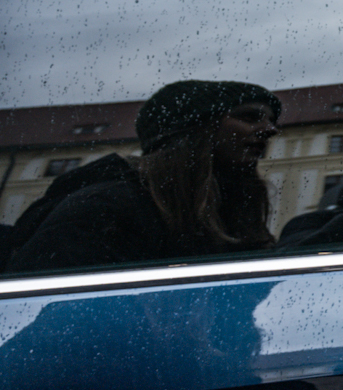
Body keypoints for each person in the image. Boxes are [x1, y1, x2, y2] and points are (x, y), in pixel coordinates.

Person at [9, 80, 281, 273]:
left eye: (271, 121)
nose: (270, 130)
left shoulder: (229, 210)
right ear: (193, 129)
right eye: (250, 117)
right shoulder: (103, 208)